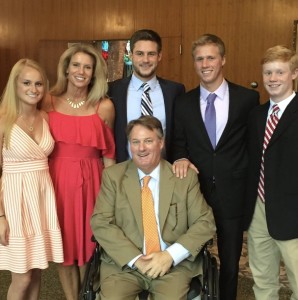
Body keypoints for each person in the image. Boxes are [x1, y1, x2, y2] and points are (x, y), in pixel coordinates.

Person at [171, 34, 259, 300]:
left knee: (230, 265)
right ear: (194, 63)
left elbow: (253, 148)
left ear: (222, 60)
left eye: (211, 57)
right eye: (199, 59)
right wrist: (180, 157)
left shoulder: (247, 99)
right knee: (191, 260)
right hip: (195, 195)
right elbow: (178, 143)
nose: (205, 63)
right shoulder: (183, 103)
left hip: (233, 193)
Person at [91, 115, 216, 300]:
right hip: (124, 266)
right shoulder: (113, 176)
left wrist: (170, 256)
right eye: (135, 142)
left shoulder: (184, 178)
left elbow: (205, 222)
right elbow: (101, 222)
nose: (141, 148)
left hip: (173, 267)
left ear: (161, 143)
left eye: (148, 141)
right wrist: (136, 260)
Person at [42, 43, 115, 300]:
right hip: (57, 183)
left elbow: (109, 157)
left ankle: (88, 296)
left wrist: (110, 199)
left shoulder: (103, 106)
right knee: (64, 251)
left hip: (92, 184)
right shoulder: (47, 101)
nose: (81, 71)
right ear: (66, 68)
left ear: (94, 73)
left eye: (87, 66)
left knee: (88, 248)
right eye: (76, 65)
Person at [0, 58, 63, 300]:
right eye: (26, 82)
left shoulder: (45, 117)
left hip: (40, 199)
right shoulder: (3, 119)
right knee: (22, 275)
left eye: (38, 84)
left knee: (37, 271)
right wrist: (1, 216)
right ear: (14, 84)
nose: (33, 89)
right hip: (14, 202)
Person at [245, 45, 298, 300]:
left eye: (280, 72)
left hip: (293, 212)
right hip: (259, 210)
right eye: (268, 73)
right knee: (263, 280)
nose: (273, 79)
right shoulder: (256, 115)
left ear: (294, 74)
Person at [108, 29, 185, 163]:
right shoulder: (113, 91)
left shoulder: (175, 91)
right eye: (139, 54)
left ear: (159, 56)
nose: (145, 60)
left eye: (151, 54)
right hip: (125, 174)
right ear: (131, 55)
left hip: (165, 174)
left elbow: (180, 135)